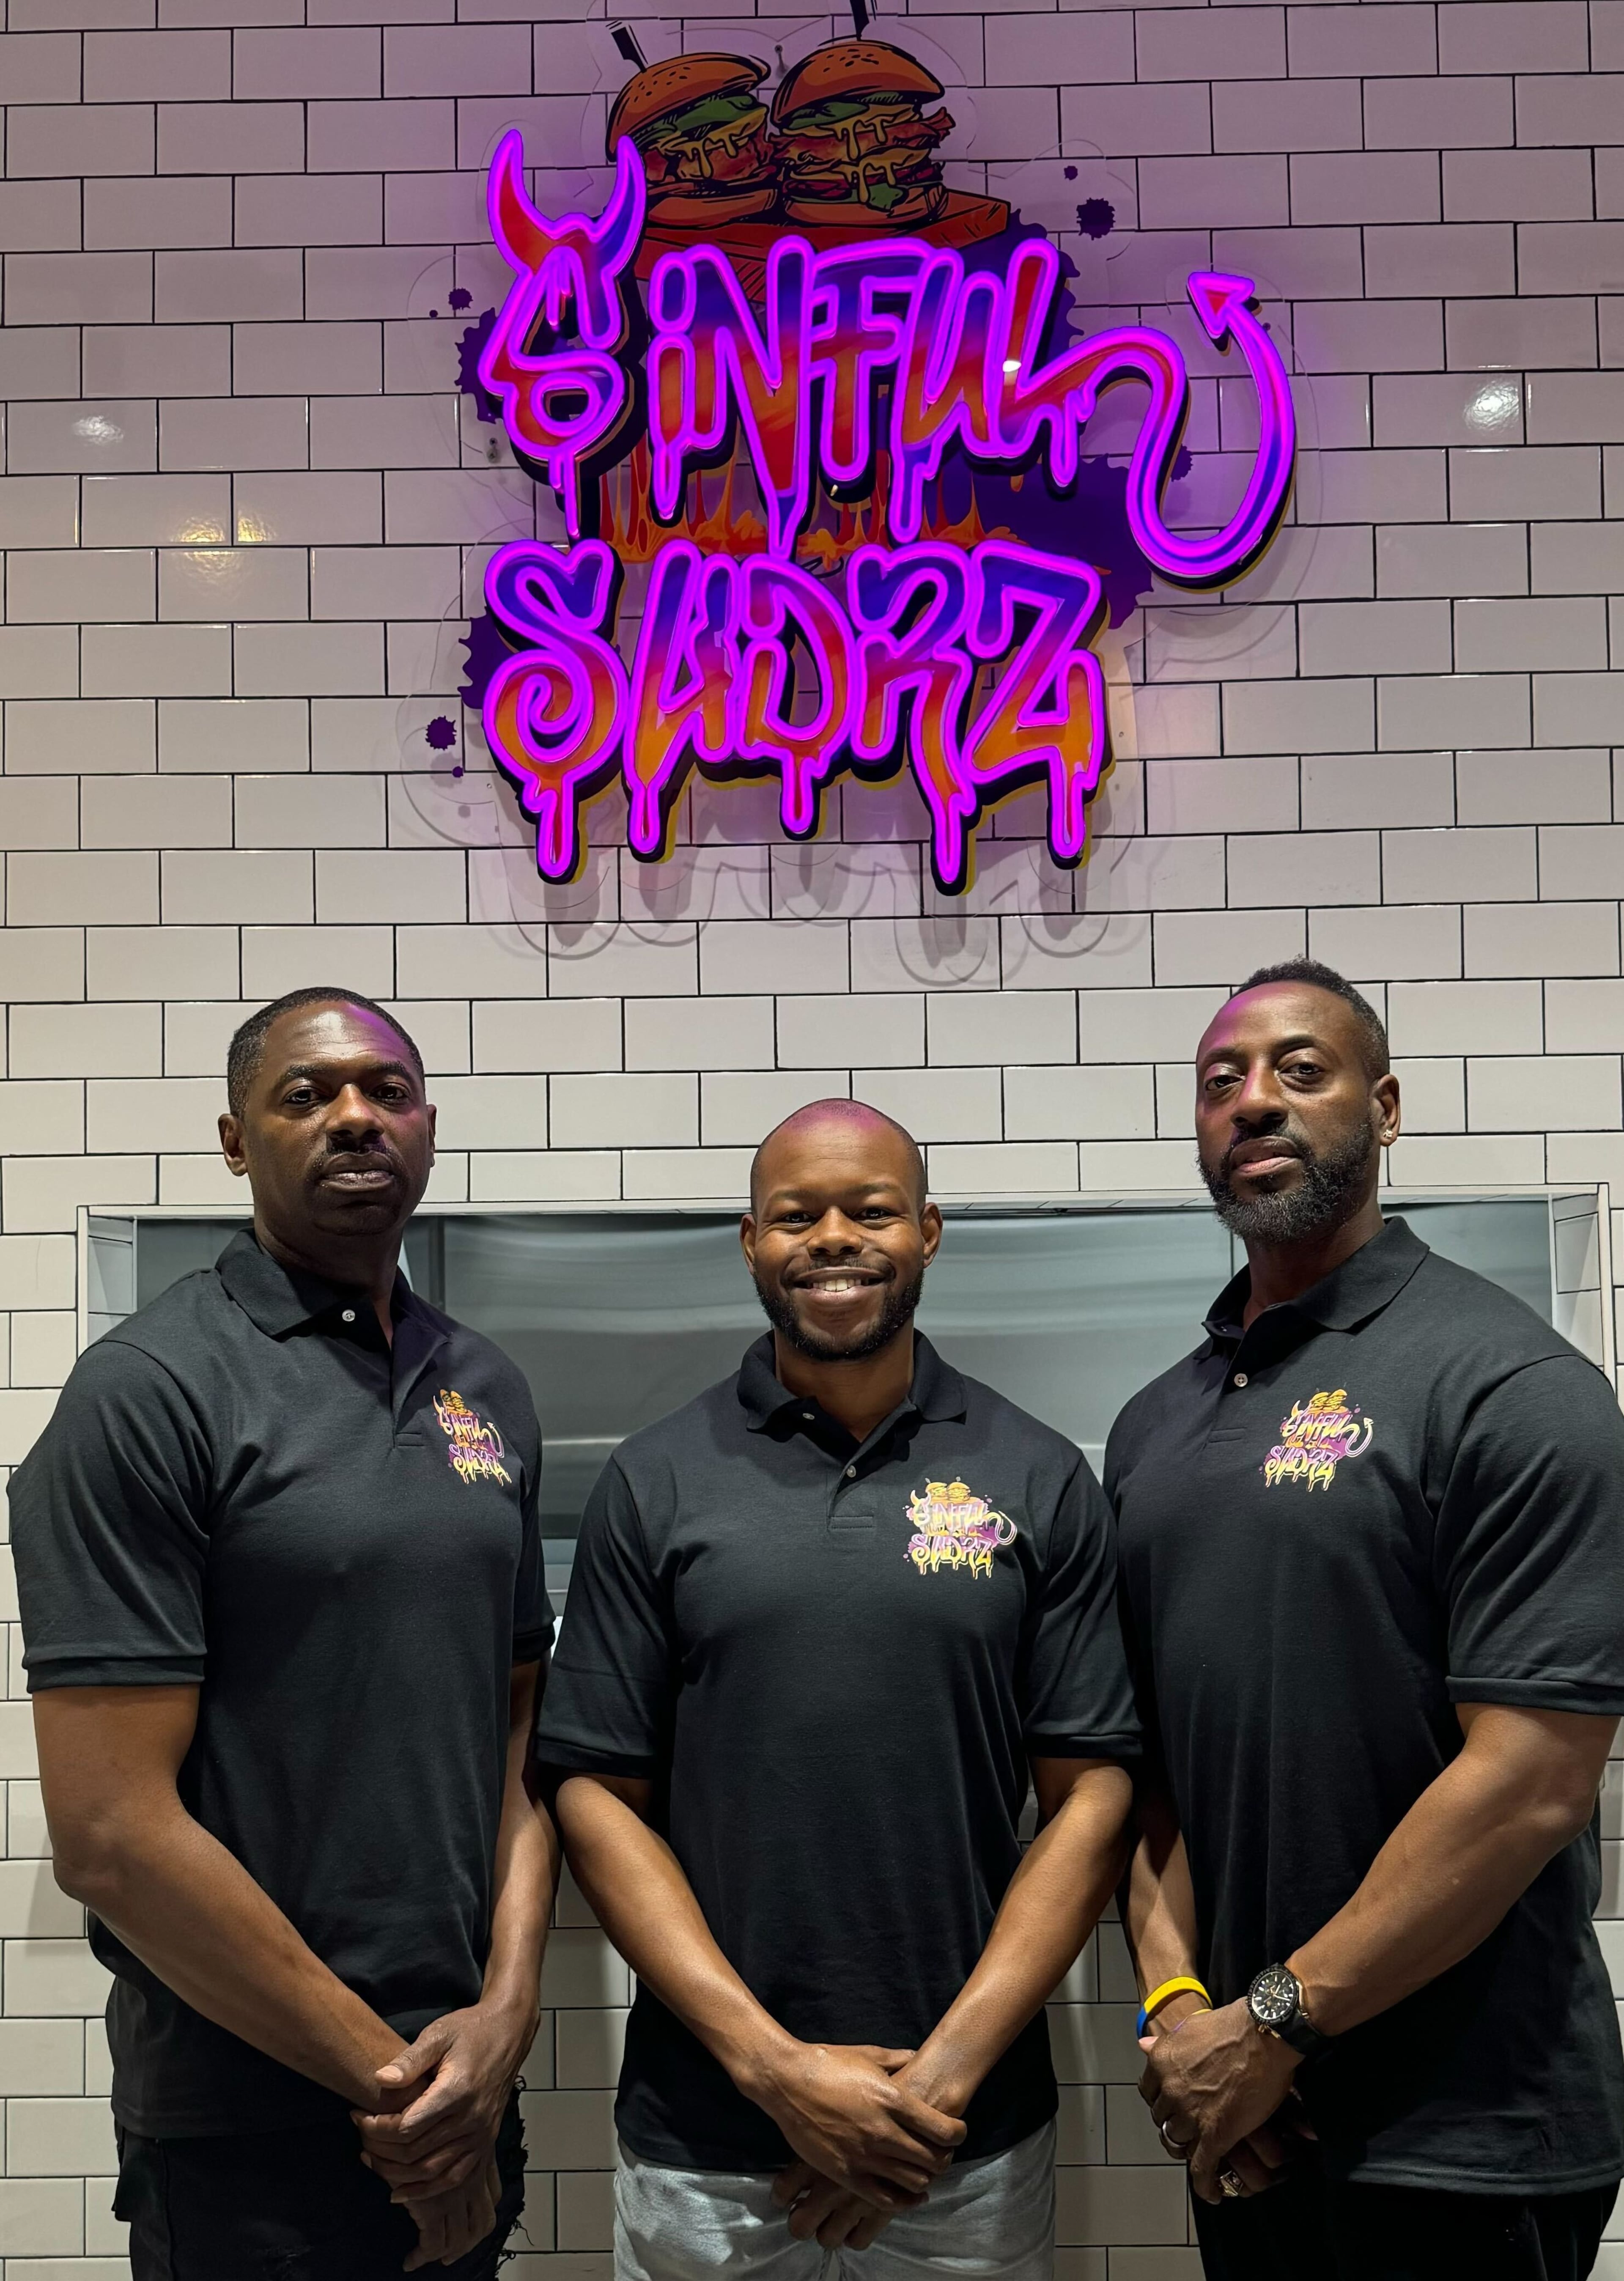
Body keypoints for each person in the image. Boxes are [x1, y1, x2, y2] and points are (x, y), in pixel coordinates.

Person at [535, 1098, 1138, 2277]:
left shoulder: (1038, 1473)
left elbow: (1092, 1797)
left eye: (870, 1210)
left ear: (929, 1230)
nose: (833, 1237)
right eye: (795, 1213)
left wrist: (934, 2088)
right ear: (750, 1241)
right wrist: (773, 2069)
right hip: (706, 2146)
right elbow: (595, 1794)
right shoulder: (655, 1480)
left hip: (961, 2144)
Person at [9, 987, 558, 2279]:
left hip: (463, 2088)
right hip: (250, 2117)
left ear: (427, 1126)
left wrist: (507, 2014)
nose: (355, 1117)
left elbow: (519, 1725)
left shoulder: (487, 1386)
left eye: (387, 1089)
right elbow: (111, 1835)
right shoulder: (148, 1390)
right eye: (305, 1095)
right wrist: (400, 2091)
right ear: (234, 1140)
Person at [1108, 957, 1624, 2280]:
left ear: (1385, 1107)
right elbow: (1149, 1772)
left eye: (1299, 1068)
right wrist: (1184, 2015)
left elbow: (1531, 1782)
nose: (1254, 1100)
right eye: (1222, 1080)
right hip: (1254, 2120)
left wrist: (1275, 2019)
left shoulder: (1508, 1382)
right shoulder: (1159, 1426)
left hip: (1466, 2133)